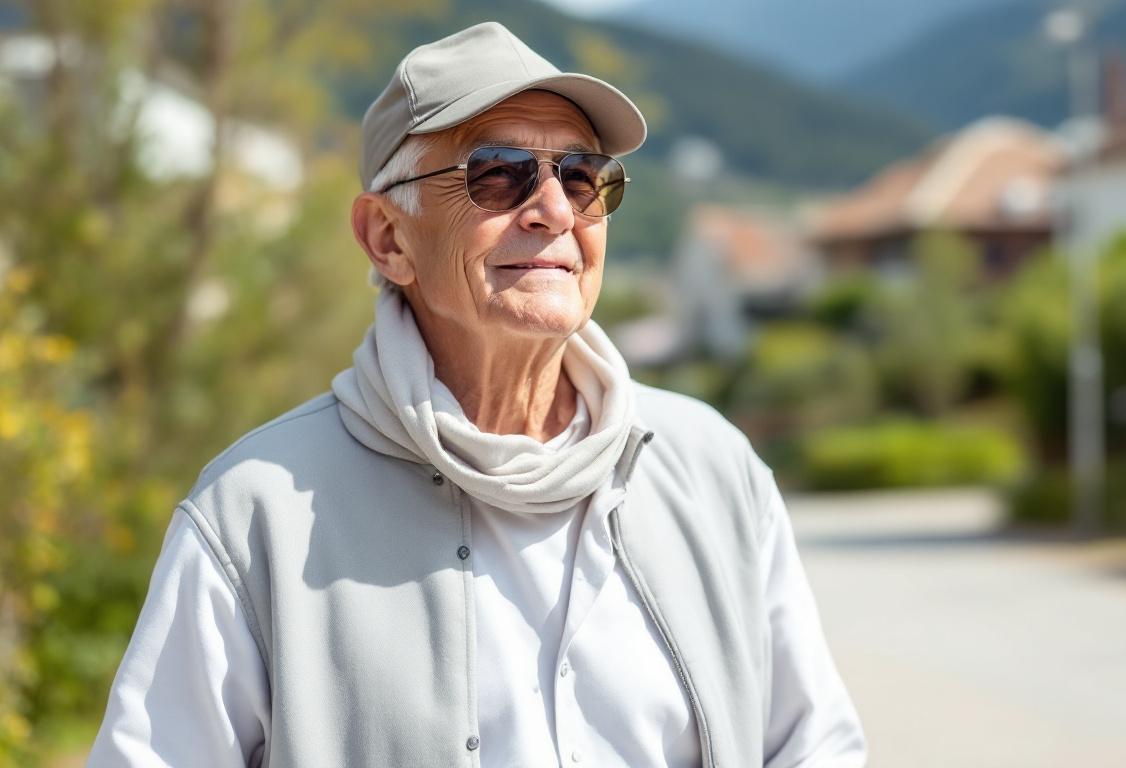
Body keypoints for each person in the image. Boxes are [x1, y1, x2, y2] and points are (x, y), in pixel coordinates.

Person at [88, 21, 866, 768]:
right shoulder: (255, 513)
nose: (555, 210)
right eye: (496, 173)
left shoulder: (713, 468)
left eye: (580, 176)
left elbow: (813, 745)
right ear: (389, 239)